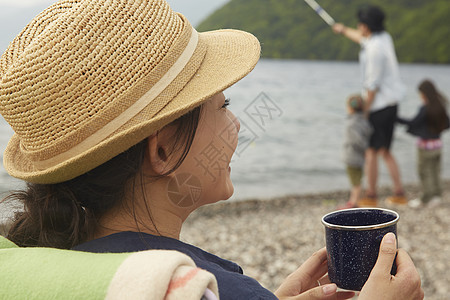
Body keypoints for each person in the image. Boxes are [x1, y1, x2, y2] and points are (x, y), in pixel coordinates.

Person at [0, 0, 423, 299]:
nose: (237, 123)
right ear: (163, 150)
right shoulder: (214, 290)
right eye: (223, 105)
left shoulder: (38, 269)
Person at [332, 5, 407, 207]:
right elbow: (361, 38)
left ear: (366, 26)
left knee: (372, 152)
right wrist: (343, 30)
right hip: (391, 104)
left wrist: (364, 113)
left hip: (379, 107)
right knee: (385, 151)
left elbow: (371, 86)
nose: (358, 27)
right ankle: (399, 192)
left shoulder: (374, 51)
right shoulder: (383, 38)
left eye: (360, 24)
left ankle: (371, 195)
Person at [397, 79, 450, 208]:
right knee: (435, 171)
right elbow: (447, 124)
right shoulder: (440, 106)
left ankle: (427, 198)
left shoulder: (425, 108)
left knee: (424, 172)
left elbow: (413, 123)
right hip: (437, 145)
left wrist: (395, 118)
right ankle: (437, 196)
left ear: (424, 93)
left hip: (425, 146)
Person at [340, 94, 373, 209]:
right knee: (357, 179)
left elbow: (356, 140)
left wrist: (362, 147)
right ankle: (353, 200)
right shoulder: (364, 121)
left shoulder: (351, 123)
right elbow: (368, 133)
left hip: (352, 156)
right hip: (360, 157)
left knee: (355, 181)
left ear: (350, 108)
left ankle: (353, 202)